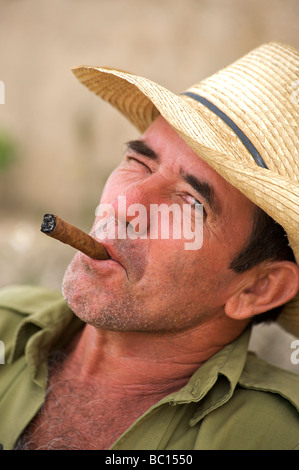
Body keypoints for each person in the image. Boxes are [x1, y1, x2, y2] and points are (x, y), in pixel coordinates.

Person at [0, 41, 299, 451]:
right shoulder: (5, 322)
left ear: (257, 288)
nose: (128, 205)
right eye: (139, 163)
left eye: (190, 201)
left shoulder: (274, 436)